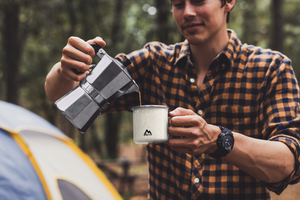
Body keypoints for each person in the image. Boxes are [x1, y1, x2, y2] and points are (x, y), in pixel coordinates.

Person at [45, 0, 300, 199]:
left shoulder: (271, 69)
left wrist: (217, 139)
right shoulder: (152, 63)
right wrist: (66, 69)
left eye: (198, 1)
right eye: (178, 4)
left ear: (228, 2)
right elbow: (64, 97)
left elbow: (289, 163)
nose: (187, 12)